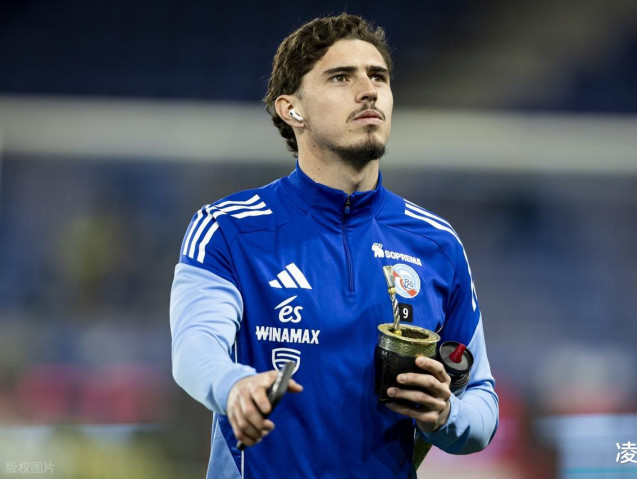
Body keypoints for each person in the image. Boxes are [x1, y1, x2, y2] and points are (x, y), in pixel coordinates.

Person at [170, 13, 498, 478]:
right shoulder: (228, 229)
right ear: (292, 110)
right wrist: (233, 386)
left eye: (378, 77)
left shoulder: (436, 244)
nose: (368, 91)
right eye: (341, 77)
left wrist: (446, 415)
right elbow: (194, 347)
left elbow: (482, 401)